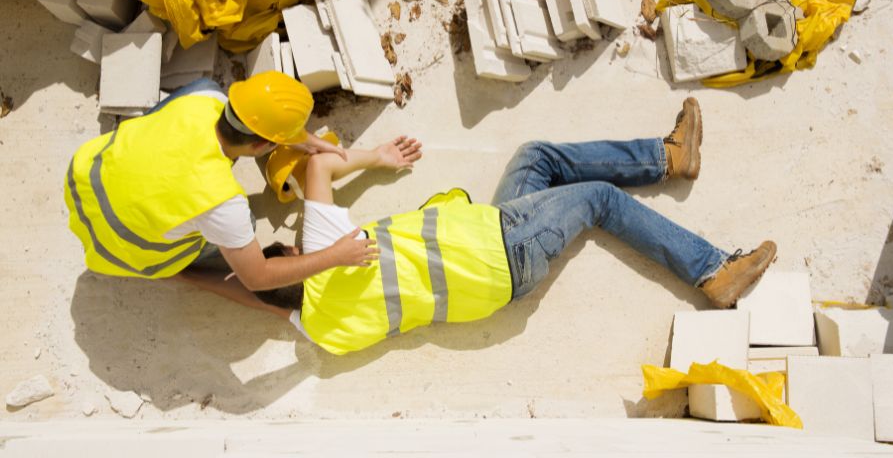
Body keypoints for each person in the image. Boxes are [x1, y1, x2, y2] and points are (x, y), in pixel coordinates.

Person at [270, 98, 777, 354]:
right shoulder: (321, 249)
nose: (292, 241)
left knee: (535, 158)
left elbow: (255, 290)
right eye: (286, 247)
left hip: (494, 257)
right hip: (503, 245)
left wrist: (202, 276)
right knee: (600, 199)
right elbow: (318, 166)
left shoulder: (319, 331)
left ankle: (669, 157)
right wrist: (376, 157)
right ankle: (712, 271)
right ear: (294, 259)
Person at [64, 71, 377, 313]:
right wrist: (335, 256)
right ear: (262, 145)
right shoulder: (222, 202)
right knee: (246, 227)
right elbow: (257, 277)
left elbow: (250, 121)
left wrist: (300, 138)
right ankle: (180, 262)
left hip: (84, 178)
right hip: (120, 247)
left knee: (187, 95)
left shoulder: (204, 97)